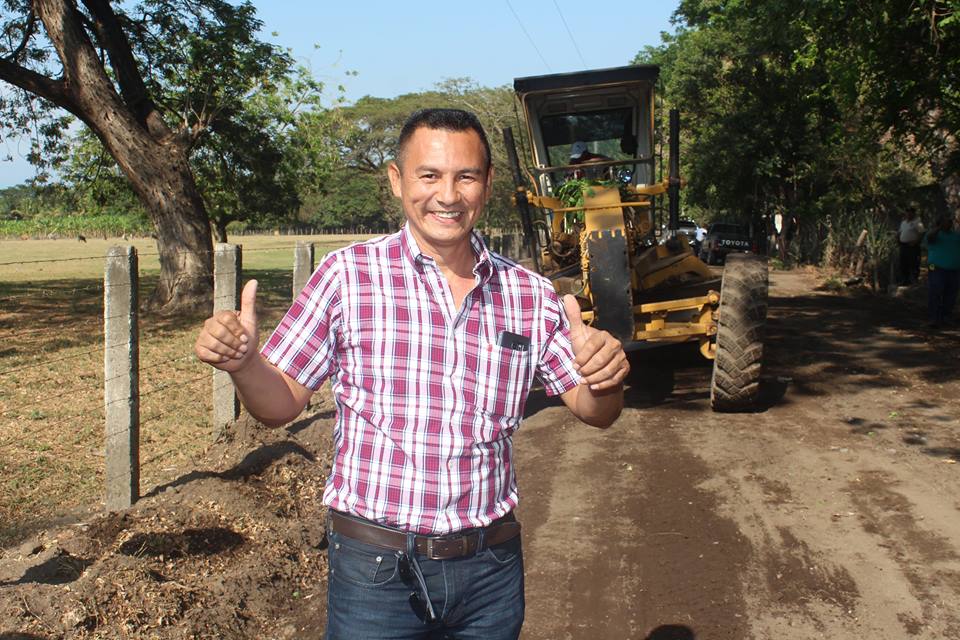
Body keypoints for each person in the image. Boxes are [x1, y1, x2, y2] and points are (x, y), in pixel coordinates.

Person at [194, 108, 629, 639]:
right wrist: (243, 365)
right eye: (429, 175)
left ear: (487, 185)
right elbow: (280, 403)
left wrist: (605, 377)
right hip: (375, 572)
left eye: (465, 176)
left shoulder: (528, 296)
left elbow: (594, 410)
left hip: (489, 570)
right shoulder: (346, 277)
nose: (447, 195)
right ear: (398, 181)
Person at [924, 213, 960, 329]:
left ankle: (945, 317)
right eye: (946, 221)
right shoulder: (934, 235)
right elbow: (929, 238)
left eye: (950, 222)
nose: (949, 223)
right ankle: (933, 318)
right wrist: (939, 227)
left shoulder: (956, 235)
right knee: (935, 292)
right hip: (936, 268)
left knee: (951, 294)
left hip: (954, 270)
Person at [898, 207, 924, 285]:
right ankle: (905, 280)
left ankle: (914, 280)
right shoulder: (903, 223)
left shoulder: (918, 222)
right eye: (907, 212)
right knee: (903, 263)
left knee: (914, 263)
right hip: (903, 246)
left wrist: (916, 242)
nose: (908, 214)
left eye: (910, 212)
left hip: (912, 246)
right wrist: (898, 239)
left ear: (913, 213)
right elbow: (900, 232)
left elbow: (922, 233)